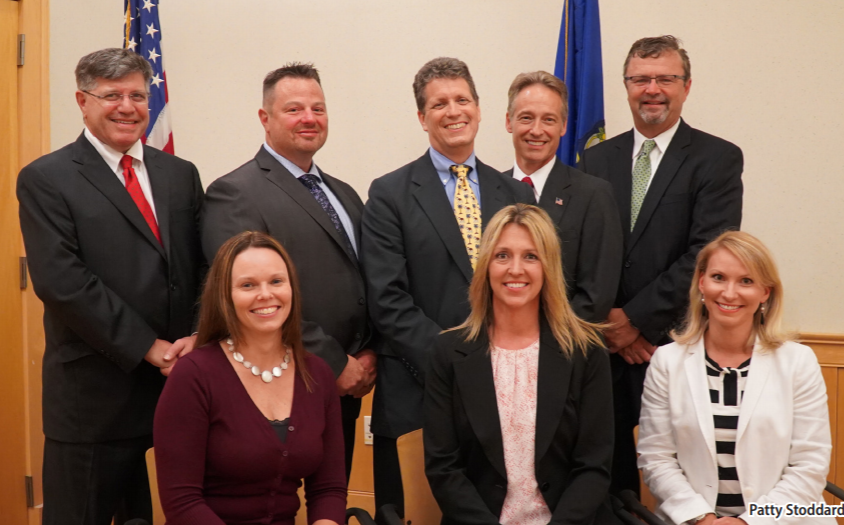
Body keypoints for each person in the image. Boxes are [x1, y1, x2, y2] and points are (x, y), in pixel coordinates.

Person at [16, 48, 204, 525]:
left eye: (138, 95)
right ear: (82, 101)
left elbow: (201, 266)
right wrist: (149, 347)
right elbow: (63, 283)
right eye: (111, 95)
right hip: (94, 395)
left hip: (178, 384)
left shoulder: (179, 174)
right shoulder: (47, 179)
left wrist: (197, 337)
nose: (128, 107)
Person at [361, 57, 534, 512]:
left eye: (462, 100)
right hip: (417, 391)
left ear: (478, 109)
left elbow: (531, 287)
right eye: (439, 104)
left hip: (508, 390)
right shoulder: (389, 194)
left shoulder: (516, 195)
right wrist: (455, 364)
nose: (453, 111)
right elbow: (388, 301)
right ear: (422, 117)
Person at [578, 35, 743, 495]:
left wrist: (635, 320)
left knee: (687, 480)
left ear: (686, 86)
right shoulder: (594, 159)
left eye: (665, 78)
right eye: (640, 79)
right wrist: (609, 322)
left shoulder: (718, 159)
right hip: (604, 349)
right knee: (606, 480)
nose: (652, 88)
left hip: (676, 344)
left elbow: (707, 254)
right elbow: (584, 249)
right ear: (626, 86)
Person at [201, 63, 375, 479]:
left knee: (331, 500)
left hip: (348, 390)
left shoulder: (345, 193)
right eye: (294, 109)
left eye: (318, 108)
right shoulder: (234, 193)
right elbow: (250, 299)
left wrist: (369, 354)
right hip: (276, 388)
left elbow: (363, 281)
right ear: (266, 118)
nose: (309, 119)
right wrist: (334, 363)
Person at [424, 204, 618, 525]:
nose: (516, 269)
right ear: (486, 266)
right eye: (502, 256)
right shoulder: (448, 352)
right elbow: (444, 468)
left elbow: (593, 467)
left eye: (531, 256)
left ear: (548, 267)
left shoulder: (586, 351)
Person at [637, 231, 833, 525]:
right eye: (718, 277)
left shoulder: (798, 363)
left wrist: (747, 522)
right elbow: (656, 459)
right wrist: (702, 518)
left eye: (746, 281)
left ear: (765, 292)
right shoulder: (666, 362)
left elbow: (810, 465)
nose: (729, 293)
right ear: (701, 282)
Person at [154, 231, 346, 525]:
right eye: (248, 285)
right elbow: (182, 502)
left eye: (276, 281)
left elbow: (328, 489)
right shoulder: (193, 375)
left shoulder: (317, 373)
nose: (266, 294)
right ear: (225, 297)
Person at [503, 71, 622, 323]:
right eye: (526, 118)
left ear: (563, 126)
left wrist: (541, 341)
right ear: (509, 121)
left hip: (565, 347)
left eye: (548, 120)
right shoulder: (488, 191)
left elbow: (597, 295)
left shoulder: (593, 195)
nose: (537, 130)